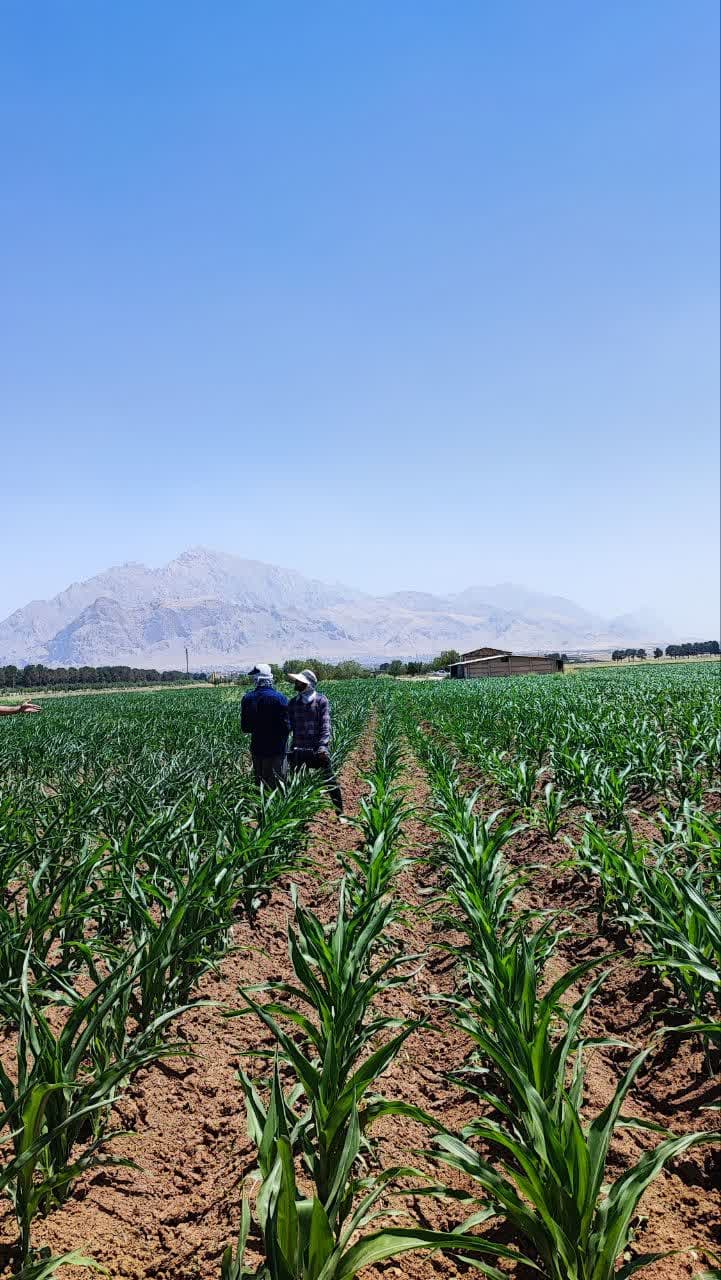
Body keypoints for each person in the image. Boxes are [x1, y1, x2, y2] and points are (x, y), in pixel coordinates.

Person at [287, 669, 343, 812]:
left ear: (308, 684)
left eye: (299, 681)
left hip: (317, 750)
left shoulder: (320, 701)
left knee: (330, 780)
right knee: (297, 784)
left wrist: (323, 746)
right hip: (298, 749)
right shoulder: (293, 703)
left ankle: (340, 813)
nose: (296, 683)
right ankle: (301, 813)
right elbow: (289, 726)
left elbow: (325, 725)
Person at [240, 663, 290, 786]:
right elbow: (287, 727)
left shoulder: (247, 699)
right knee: (277, 787)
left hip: (257, 749)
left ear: (256, 679)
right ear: (270, 678)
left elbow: (245, 728)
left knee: (260, 785)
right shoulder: (280, 698)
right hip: (277, 750)